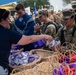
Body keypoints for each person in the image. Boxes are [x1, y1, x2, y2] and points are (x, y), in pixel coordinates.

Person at [0, 8, 53, 75]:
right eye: (8, 18)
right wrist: (44, 36)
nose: (9, 21)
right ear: (2, 20)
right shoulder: (6, 32)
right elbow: (28, 39)